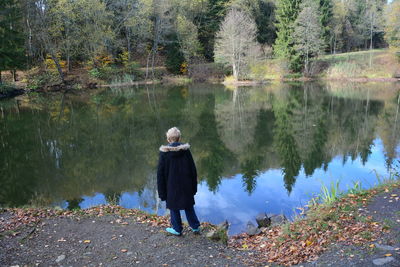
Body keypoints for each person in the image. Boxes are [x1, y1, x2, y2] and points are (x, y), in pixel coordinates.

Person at [157, 127, 200, 236]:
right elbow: (193, 170)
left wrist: (162, 193)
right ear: (179, 138)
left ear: (168, 139)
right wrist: (194, 188)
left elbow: (160, 175)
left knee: (173, 207)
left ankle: (177, 229)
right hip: (186, 185)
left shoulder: (164, 154)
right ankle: (195, 227)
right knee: (188, 205)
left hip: (171, 186)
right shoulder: (186, 151)